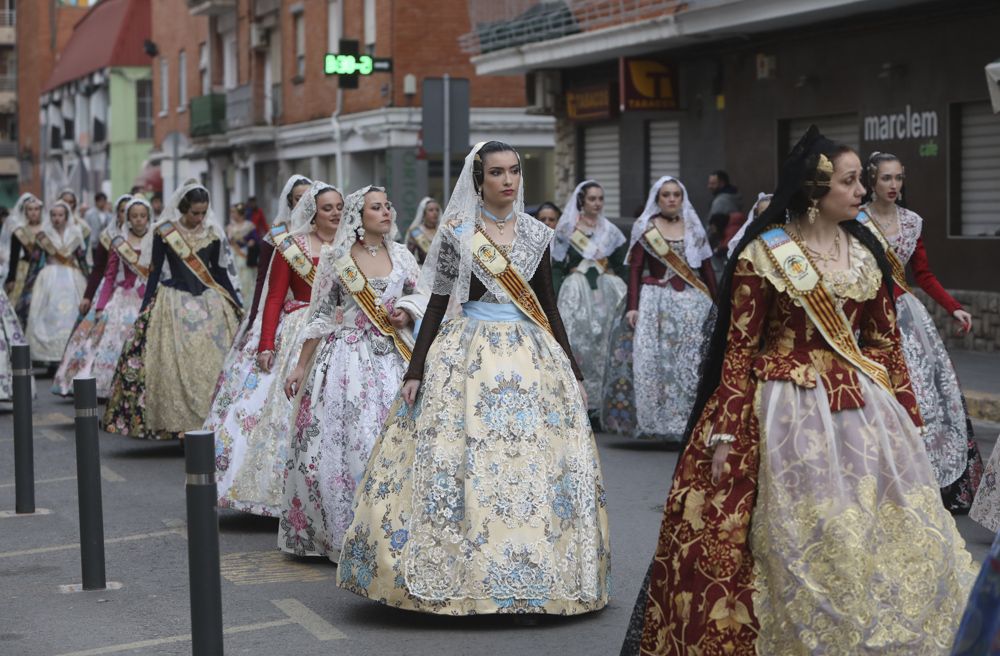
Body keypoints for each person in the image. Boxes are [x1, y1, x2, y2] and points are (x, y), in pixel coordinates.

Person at [621, 126, 975, 655]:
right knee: (796, 532)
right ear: (815, 191)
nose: (862, 192)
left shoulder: (866, 251)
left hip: (861, 410)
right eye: (852, 183)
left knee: (877, 527)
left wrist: (908, 416)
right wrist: (723, 433)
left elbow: (883, 342)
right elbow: (739, 348)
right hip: (780, 409)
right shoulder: (764, 255)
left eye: (862, 182)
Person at [336, 141, 610, 615]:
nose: (508, 180)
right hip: (468, 354)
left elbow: (547, 305)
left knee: (532, 468)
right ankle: (460, 576)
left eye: (515, 171)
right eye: (497, 172)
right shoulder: (457, 233)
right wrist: (416, 368)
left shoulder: (535, 234)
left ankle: (538, 574)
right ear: (479, 181)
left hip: (530, 356)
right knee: (463, 460)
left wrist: (573, 367)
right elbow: (439, 302)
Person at [280, 185, 423, 560]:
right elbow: (322, 314)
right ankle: (347, 530)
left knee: (395, 441)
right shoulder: (336, 258)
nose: (386, 212)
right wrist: (299, 366)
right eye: (376, 207)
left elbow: (422, 297)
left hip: (394, 357)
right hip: (347, 362)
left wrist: (406, 312)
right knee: (350, 444)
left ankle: (394, 528)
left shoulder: (405, 257)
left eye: (388, 205)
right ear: (359, 218)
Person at [206, 181, 342, 518]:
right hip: (298, 332)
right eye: (328, 209)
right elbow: (274, 299)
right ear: (311, 213)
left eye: (340, 207)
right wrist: (266, 343)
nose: (336, 214)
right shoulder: (291, 247)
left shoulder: (352, 245)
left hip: (342, 332)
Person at [859, 151, 983, 514]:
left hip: (907, 317)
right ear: (871, 180)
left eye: (898, 178)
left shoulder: (912, 222)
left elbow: (923, 274)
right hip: (865, 318)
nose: (894, 185)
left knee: (927, 394)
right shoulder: (856, 220)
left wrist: (953, 306)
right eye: (886, 178)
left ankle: (929, 478)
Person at [103, 183, 242, 440]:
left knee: (212, 363)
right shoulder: (164, 232)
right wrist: (145, 309)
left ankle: (211, 421)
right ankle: (180, 424)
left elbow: (220, 273)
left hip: (210, 302)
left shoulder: (212, 232)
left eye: (203, 212)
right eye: (194, 213)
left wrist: (236, 303)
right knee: (173, 363)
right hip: (173, 302)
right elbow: (154, 272)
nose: (200, 218)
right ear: (182, 209)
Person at [617, 176, 716, 443]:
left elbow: (706, 269)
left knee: (692, 360)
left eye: (676, 195)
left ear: (682, 199)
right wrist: (633, 306)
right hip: (657, 301)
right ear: (657, 199)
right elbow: (636, 268)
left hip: (692, 304)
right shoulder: (646, 227)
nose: (672, 199)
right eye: (666, 195)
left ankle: (689, 419)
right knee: (659, 360)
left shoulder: (694, 228)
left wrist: (718, 304)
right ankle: (660, 420)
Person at [551, 180, 628, 418]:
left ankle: (604, 405)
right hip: (577, 294)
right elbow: (556, 265)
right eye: (592, 199)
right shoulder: (566, 230)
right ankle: (579, 401)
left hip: (607, 295)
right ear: (581, 202)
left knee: (606, 345)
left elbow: (621, 265)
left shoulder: (611, 232)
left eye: (600, 199)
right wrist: (558, 290)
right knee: (578, 343)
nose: (597, 203)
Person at [52, 193, 133, 396]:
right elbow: (99, 269)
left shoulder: (148, 236)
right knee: (95, 338)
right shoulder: (108, 236)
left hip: (138, 294)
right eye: (122, 211)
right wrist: (89, 296)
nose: (126, 215)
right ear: (117, 213)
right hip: (110, 292)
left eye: (129, 211)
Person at [23, 202, 89, 366]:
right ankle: (51, 358)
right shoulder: (43, 236)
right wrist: (29, 284)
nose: (57, 218)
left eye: (60, 215)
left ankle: (70, 355)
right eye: (53, 215)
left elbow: (82, 259)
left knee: (73, 314)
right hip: (49, 277)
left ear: (66, 217)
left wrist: (89, 284)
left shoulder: (75, 234)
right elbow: (36, 260)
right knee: (48, 314)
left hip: (73, 278)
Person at [3, 194, 44, 307]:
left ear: (40, 211)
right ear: (25, 212)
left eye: (36, 209)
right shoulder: (19, 232)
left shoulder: (47, 230)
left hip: (44, 270)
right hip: (25, 270)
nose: (33, 212)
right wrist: (11, 278)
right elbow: (14, 257)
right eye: (30, 209)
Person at [226, 202, 258, 303]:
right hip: (232, 258)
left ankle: (246, 306)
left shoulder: (249, 226)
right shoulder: (229, 227)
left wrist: (251, 243)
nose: (232, 214)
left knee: (246, 283)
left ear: (240, 213)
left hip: (244, 258)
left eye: (233, 212)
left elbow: (255, 240)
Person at [404, 196, 441, 264]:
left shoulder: (442, 231)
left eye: (437, 210)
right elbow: (409, 258)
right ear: (423, 213)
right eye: (431, 210)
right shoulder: (416, 232)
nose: (435, 213)